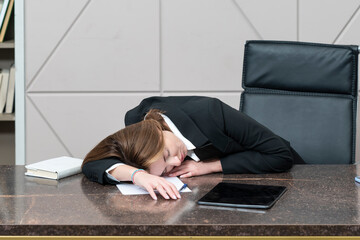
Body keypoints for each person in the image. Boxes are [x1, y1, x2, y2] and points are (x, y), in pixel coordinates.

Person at [82, 96, 304, 200]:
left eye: (167, 154)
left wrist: (206, 167)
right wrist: (138, 176)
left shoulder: (211, 114)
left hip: (291, 185)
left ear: (157, 130)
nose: (175, 163)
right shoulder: (135, 125)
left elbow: (280, 154)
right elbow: (93, 162)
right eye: (165, 170)